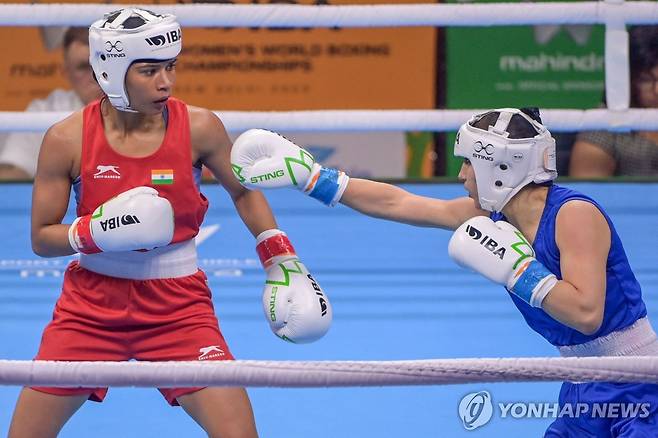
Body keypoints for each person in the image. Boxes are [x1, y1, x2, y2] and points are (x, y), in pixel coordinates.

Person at [232, 107, 658, 437]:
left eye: (469, 164)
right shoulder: (496, 214)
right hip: (582, 381)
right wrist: (315, 179)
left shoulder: (574, 215)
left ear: (500, 167)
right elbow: (402, 203)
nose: (460, 175)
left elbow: (587, 314)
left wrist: (519, 270)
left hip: (637, 382)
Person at [8, 8, 332, 438]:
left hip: (178, 307)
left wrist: (281, 259)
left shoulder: (199, 127)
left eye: (170, 67)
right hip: (89, 308)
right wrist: (93, 231)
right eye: (149, 70)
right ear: (111, 71)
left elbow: (244, 190)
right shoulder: (66, 139)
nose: (166, 82)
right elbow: (41, 239)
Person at [0, 27, 103, 180]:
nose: (96, 76)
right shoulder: (45, 111)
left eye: (102, 63)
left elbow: (153, 175)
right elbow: (14, 168)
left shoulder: (144, 105)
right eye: (83, 67)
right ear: (66, 73)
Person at [570, 26, 658, 177]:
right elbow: (587, 195)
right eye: (646, 80)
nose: (657, 90)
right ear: (628, 78)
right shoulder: (603, 125)